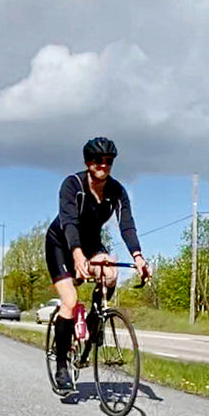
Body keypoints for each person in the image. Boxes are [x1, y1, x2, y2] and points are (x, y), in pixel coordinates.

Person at [45, 138, 151, 390]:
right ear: (88, 162)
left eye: (109, 161)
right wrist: (77, 254)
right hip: (61, 243)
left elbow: (126, 225)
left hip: (91, 243)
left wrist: (138, 256)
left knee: (111, 272)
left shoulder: (117, 191)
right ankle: (61, 366)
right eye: (97, 160)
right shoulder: (72, 185)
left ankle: (95, 320)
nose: (103, 165)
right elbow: (69, 221)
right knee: (69, 301)